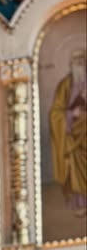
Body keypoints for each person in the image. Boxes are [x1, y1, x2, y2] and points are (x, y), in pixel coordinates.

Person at [49, 48, 87, 214]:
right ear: (71, 64)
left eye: (82, 59)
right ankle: (80, 203)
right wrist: (71, 114)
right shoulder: (64, 85)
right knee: (74, 169)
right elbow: (55, 114)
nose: (79, 62)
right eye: (76, 60)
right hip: (72, 135)